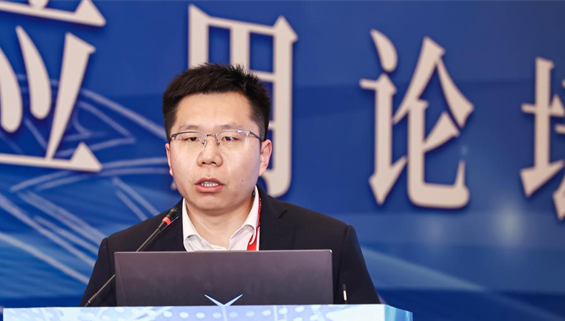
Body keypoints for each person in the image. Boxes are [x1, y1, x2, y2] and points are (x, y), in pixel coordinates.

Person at [81, 63, 378, 306]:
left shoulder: (327, 243)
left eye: (230, 138)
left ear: (263, 156)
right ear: (169, 157)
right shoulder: (125, 254)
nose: (209, 156)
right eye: (191, 138)